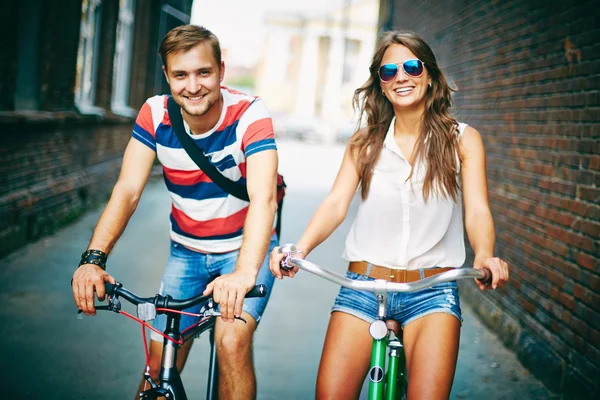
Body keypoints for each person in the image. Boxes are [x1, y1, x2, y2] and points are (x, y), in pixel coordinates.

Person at [270, 30, 509, 399]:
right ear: (380, 85)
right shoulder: (364, 143)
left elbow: (476, 209)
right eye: (388, 71)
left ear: (429, 76)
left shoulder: (463, 140)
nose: (401, 77)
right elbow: (336, 203)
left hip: (431, 291)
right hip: (363, 287)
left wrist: (484, 254)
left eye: (412, 66)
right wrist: (299, 249)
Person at [71, 24, 279, 399]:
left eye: (204, 72)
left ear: (221, 71)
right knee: (158, 362)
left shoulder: (250, 113)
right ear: (166, 76)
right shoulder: (155, 114)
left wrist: (244, 273)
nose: (193, 85)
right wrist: (93, 259)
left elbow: (264, 199)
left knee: (231, 342)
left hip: (242, 250)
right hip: (187, 250)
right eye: (180, 74)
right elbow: (128, 190)